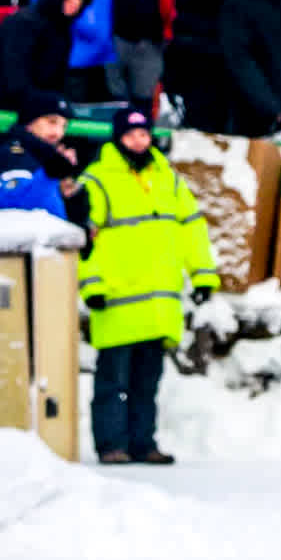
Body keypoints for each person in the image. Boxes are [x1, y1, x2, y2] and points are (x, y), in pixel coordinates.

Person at [77, 103, 209, 465]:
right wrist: (92, 285)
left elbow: (192, 229)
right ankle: (111, 445)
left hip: (158, 302)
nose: (139, 141)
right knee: (113, 381)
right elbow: (86, 240)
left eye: (144, 134)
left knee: (146, 382)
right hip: (117, 298)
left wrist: (203, 274)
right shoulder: (97, 180)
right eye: (131, 134)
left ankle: (142, 442)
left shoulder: (169, 179)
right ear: (117, 138)